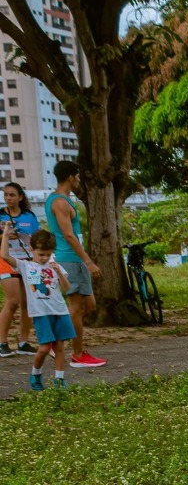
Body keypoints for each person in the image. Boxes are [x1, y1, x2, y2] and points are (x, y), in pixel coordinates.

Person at [45, 160, 105, 367]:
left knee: (90, 305)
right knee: (77, 308)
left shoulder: (64, 200)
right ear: (70, 177)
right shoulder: (60, 202)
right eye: (77, 175)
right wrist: (88, 261)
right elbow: (69, 236)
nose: (79, 179)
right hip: (69, 259)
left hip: (75, 259)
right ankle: (77, 354)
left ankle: (56, 339)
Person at [2, 226, 73, 391]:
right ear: (31, 249)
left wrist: (58, 272)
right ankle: (36, 374)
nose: (44, 258)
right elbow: (5, 255)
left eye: (48, 254)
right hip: (41, 313)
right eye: (41, 254)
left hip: (59, 311)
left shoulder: (55, 266)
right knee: (43, 348)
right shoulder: (25, 266)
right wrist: (5, 235)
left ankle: (59, 380)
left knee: (60, 346)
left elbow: (66, 288)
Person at [0, 182, 38, 357]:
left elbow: (36, 239)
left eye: (12, 195)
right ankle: (2, 343)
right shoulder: (0, 215)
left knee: (27, 303)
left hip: (26, 262)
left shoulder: (29, 216)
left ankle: (23, 342)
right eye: (6, 195)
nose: (8, 198)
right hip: (6, 261)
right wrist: (5, 235)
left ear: (20, 197)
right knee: (12, 301)